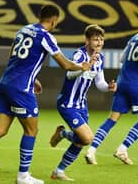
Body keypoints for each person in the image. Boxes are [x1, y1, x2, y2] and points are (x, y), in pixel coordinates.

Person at [0, 4, 92, 184]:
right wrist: (82, 66)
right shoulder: (46, 36)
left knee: (0, 129)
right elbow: (65, 65)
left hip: (5, 83)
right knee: (31, 130)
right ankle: (23, 176)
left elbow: (13, 55)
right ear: (54, 21)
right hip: (21, 89)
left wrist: (32, 77)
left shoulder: (23, 30)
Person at [85, 13, 138, 165]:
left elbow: (122, 57)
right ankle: (122, 149)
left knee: (112, 119)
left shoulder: (137, 36)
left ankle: (91, 151)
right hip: (137, 85)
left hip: (122, 82)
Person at [49, 24, 117, 181]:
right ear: (87, 40)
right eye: (95, 39)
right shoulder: (79, 55)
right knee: (87, 138)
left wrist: (109, 87)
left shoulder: (100, 58)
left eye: (101, 39)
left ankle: (58, 171)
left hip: (81, 105)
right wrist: (84, 68)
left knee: (80, 141)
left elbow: (100, 84)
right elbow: (70, 75)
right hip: (68, 104)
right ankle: (63, 134)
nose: (99, 43)